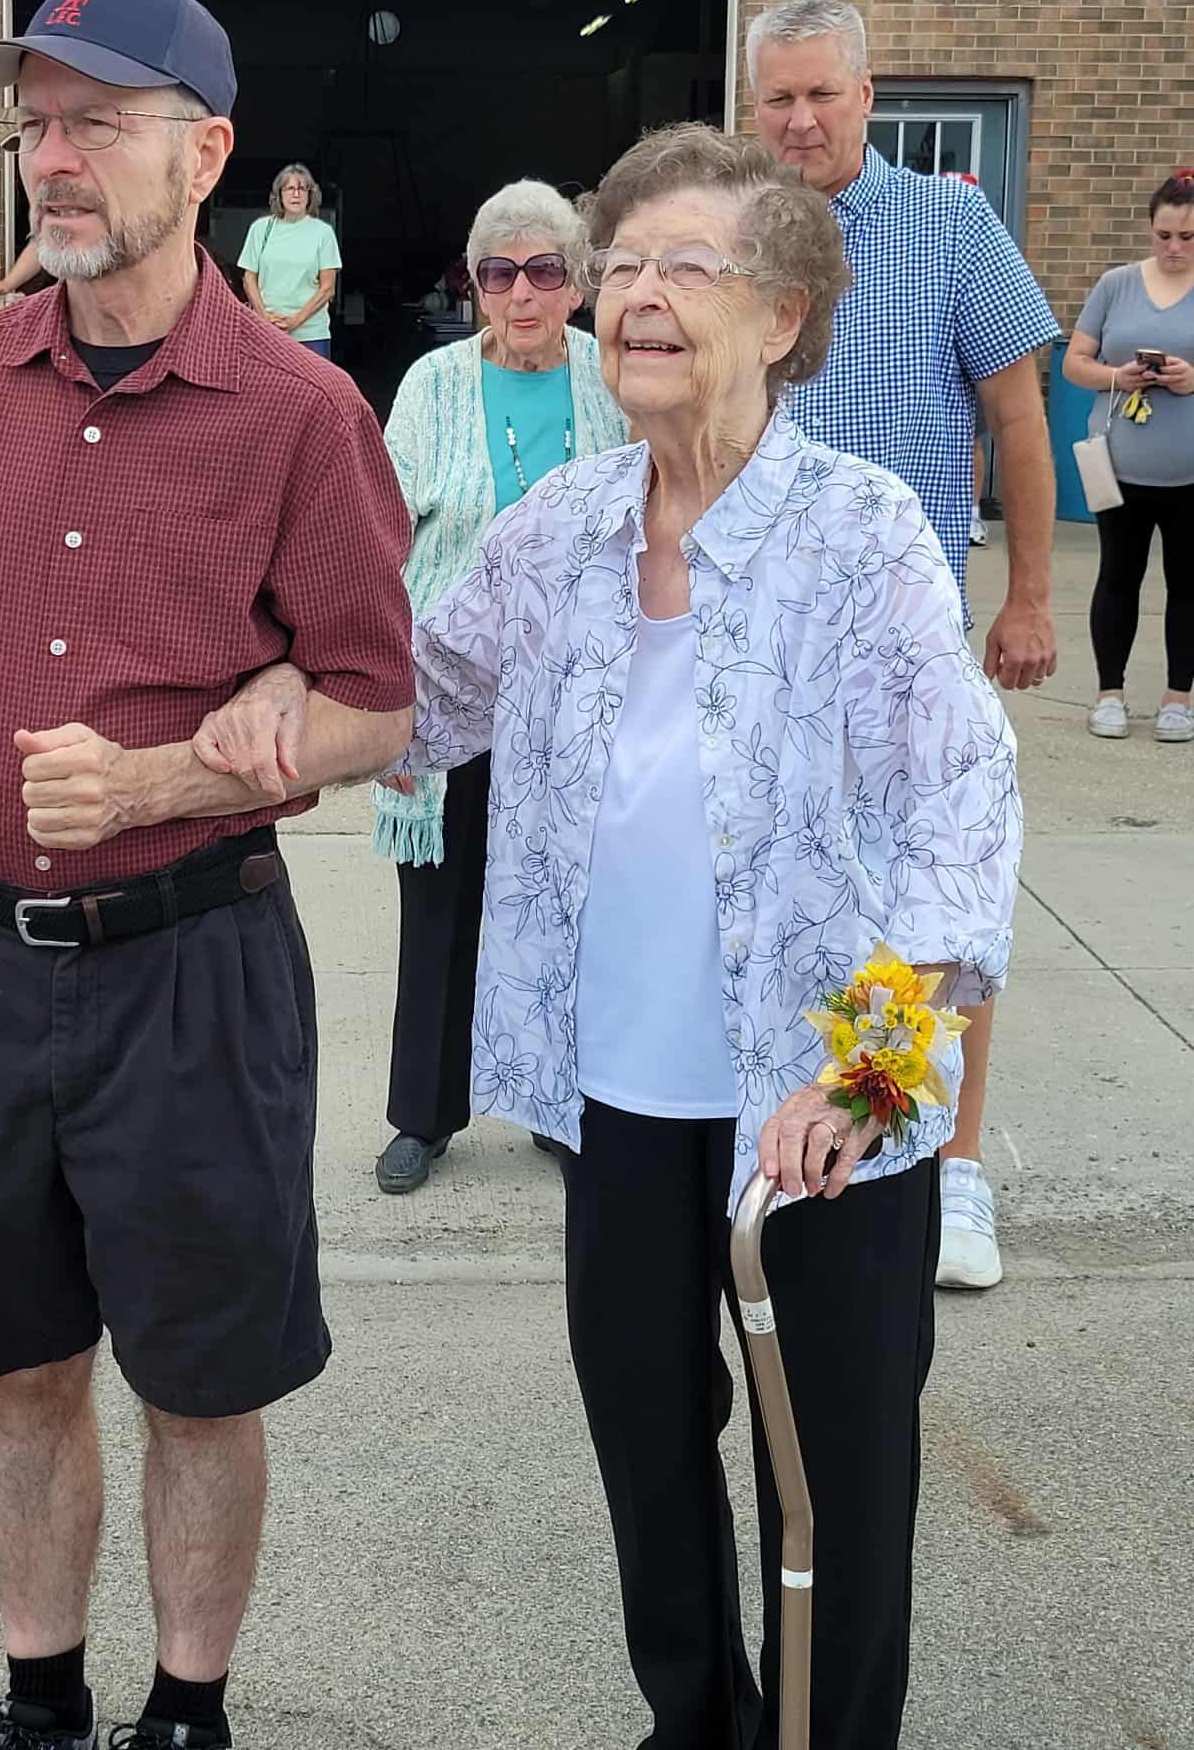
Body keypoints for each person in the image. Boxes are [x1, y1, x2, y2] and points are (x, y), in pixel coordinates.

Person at [201, 124, 1021, 1750]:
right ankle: (694, 1721)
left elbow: (962, 827)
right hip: (620, 1104)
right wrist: (277, 704)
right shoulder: (561, 528)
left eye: (684, 265)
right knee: (650, 1450)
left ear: (783, 313)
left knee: (838, 1479)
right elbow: (421, 703)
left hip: (826, 1115)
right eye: (619, 264)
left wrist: (866, 1079)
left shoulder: (862, 534)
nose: (633, 295)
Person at [0, 0, 414, 1750]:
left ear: (206, 150)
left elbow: (379, 708)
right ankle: (42, 1697)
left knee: (204, 1379)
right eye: (35, 122)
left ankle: (189, 1712)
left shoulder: (303, 417)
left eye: (97, 121)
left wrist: (158, 783)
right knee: (16, 1361)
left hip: (193, 970)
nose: (53, 157)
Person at [748, 0, 1057, 1293]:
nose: (803, 118)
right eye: (779, 97)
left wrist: (1032, 593)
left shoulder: (948, 225)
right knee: (791, 899)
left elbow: (1018, 413)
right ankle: (818, 1114)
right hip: (763, 641)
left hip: (909, 643)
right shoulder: (729, 242)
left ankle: (954, 1164)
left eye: (825, 92)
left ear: (869, 98)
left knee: (936, 900)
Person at [370, 179, 629, 1195]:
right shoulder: (432, 385)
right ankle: (423, 1116)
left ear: (577, 282)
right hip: (455, 681)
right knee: (440, 905)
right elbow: (382, 546)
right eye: (498, 272)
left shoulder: (611, 375)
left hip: (584, 691)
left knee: (575, 903)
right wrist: (391, 709)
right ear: (474, 283)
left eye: (544, 270)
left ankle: (559, 1103)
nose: (521, 292)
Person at [1062, 170, 1194, 744]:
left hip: (1189, 472)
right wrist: (1120, 375)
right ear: (1149, 227)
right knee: (1118, 576)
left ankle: (1178, 699)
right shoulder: (1115, 285)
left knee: (1188, 583)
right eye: (1164, 235)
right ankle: (1109, 693)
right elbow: (1074, 362)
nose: (1174, 248)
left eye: (1189, 238)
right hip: (1118, 465)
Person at [238, 165, 342, 357]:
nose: (296, 194)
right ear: (279, 194)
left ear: (310, 195)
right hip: (267, 331)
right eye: (289, 188)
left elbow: (328, 288)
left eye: (302, 189)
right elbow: (248, 277)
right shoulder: (260, 229)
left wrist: (296, 321)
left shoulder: (323, 233)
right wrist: (263, 316)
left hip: (311, 334)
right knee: (266, 386)